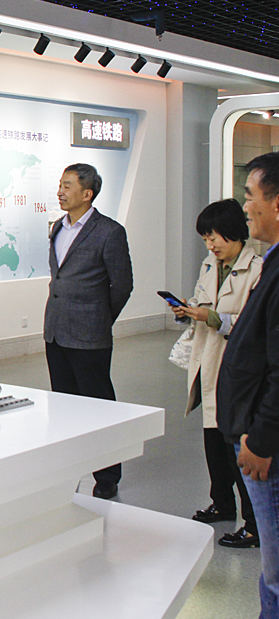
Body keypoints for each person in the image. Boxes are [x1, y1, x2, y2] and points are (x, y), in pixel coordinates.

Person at [171, 199, 262, 547]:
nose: (210, 245)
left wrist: (210, 317)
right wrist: (187, 311)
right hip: (208, 361)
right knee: (213, 440)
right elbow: (201, 300)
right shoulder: (210, 264)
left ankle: (253, 523)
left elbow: (253, 325)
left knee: (234, 445)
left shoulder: (257, 269)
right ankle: (222, 504)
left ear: (234, 232)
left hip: (237, 366)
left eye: (213, 237)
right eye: (205, 239)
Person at [44, 163, 133, 500]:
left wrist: (99, 318)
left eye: (67, 185)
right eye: (60, 184)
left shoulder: (109, 231)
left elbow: (122, 285)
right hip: (56, 331)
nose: (60, 191)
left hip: (90, 334)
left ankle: (107, 474)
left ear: (87, 193)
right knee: (63, 405)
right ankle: (68, 467)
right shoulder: (57, 227)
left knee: (98, 406)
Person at [217, 152, 279, 618]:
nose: (245, 207)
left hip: (267, 447)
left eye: (250, 196)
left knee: (276, 574)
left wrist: (260, 439)